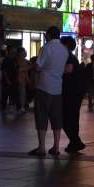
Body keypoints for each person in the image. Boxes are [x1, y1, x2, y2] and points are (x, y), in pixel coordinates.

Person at [28, 26, 69, 157]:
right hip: (58, 88)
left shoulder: (46, 47)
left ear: (49, 35)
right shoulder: (64, 50)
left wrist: (31, 67)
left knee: (42, 116)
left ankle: (41, 147)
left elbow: (39, 66)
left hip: (44, 87)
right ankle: (56, 147)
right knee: (56, 117)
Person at [61, 36, 87, 154]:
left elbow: (68, 70)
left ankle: (76, 141)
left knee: (67, 117)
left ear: (65, 46)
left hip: (72, 93)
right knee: (71, 118)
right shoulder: (71, 56)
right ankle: (74, 142)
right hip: (74, 92)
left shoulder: (68, 57)